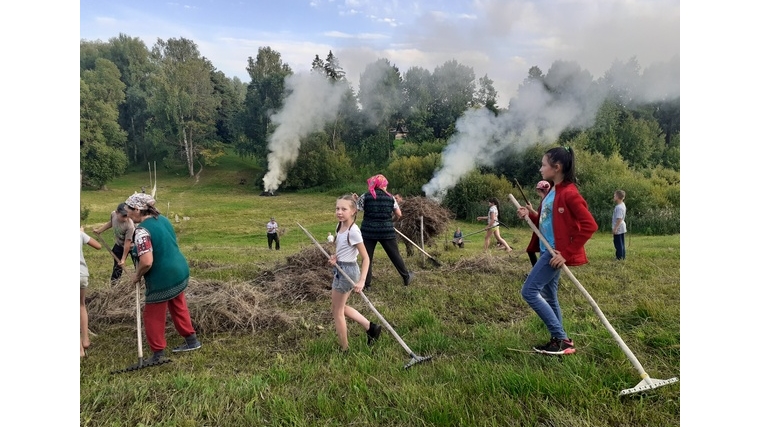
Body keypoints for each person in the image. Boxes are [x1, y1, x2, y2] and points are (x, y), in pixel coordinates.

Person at [516, 146, 598, 355]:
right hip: (546, 250)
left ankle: (561, 338)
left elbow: (590, 225)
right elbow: (546, 222)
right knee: (550, 296)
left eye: (544, 164)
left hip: (554, 254)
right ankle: (558, 340)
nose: (540, 168)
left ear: (557, 167)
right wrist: (530, 215)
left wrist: (566, 253)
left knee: (529, 291)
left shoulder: (569, 193)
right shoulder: (552, 191)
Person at [125, 193, 201, 363]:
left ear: (138, 209)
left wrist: (137, 275)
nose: (127, 213)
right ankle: (192, 341)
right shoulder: (163, 219)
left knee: (152, 315)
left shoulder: (142, 231)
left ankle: (158, 354)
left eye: (129, 210)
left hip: (162, 277)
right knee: (178, 304)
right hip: (179, 270)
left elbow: (147, 261)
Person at [328, 194, 382, 351]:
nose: (339, 212)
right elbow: (343, 249)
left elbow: (365, 258)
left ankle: (344, 349)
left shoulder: (354, 231)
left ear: (353, 211)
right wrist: (335, 257)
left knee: (337, 311)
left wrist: (362, 281)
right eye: (337, 208)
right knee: (339, 307)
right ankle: (370, 327)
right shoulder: (340, 226)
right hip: (340, 268)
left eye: (344, 209)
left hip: (349, 271)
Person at [352, 174, 413, 290]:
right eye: (385, 185)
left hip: (368, 232)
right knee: (395, 255)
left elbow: (356, 209)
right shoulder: (391, 198)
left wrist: (356, 201)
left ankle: (367, 284)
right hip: (386, 231)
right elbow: (399, 215)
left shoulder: (365, 196)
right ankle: (406, 277)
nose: (386, 187)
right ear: (382, 185)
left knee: (367, 257)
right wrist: (391, 221)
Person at [94, 202, 136, 283]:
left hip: (132, 246)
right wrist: (100, 230)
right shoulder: (113, 214)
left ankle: (141, 283)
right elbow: (111, 223)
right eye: (123, 216)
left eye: (127, 215)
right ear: (117, 213)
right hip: (119, 245)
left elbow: (128, 242)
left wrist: (123, 259)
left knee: (138, 266)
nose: (125, 218)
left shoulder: (130, 226)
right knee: (117, 267)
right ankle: (114, 286)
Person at [80, 227, 102, 358]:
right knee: (81, 305)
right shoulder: (79, 234)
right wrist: (82, 234)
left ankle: (79, 350)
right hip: (82, 275)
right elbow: (98, 246)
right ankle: (86, 339)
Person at [526, 181, 552, 266]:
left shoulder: (547, 201)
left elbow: (541, 217)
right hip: (541, 229)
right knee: (533, 250)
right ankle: (537, 271)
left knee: (536, 251)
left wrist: (530, 210)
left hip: (544, 231)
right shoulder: (544, 200)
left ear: (539, 190)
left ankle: (537, 271)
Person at [612, 189, 627, 260]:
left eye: (614, 195)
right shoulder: (622, 205)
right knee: (621, 242)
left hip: (619, 228)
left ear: (618, 197)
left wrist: (615, 228)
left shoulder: (619, 207)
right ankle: (622, 256)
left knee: (618, 243)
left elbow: (619, 219)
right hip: (621, 227)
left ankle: (619, 257)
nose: (613, 196)